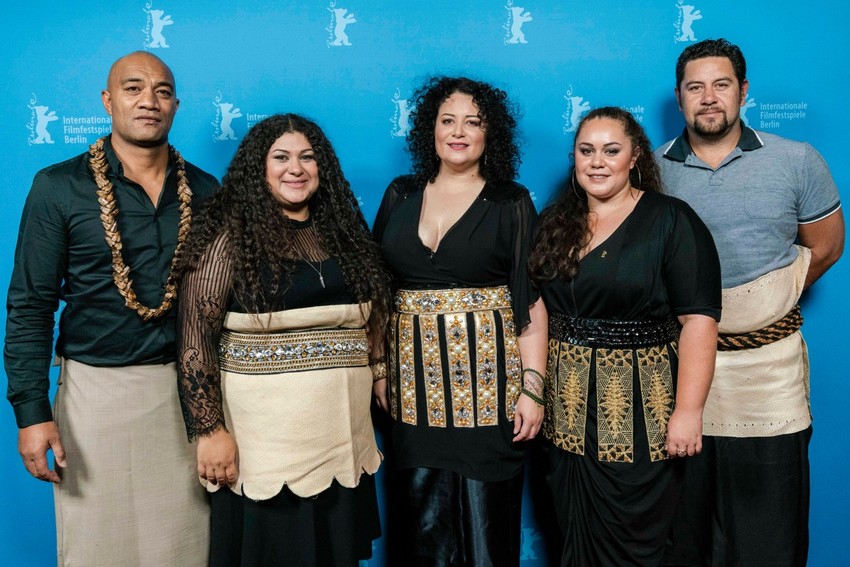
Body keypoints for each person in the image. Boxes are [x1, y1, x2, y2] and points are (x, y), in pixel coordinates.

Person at [4, 51, 217, 565]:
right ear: (107, 100)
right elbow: (31, 304)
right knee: (96, 547)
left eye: (162, 91)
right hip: (93, 398)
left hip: (186, 396)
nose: (149, 100)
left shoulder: (208, 192)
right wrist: (31, 414)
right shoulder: (58, 187)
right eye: (133, 88)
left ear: (176, 105)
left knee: (183, 547)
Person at [657, 39, 844, 567]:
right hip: (680, 371)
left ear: (743, 91)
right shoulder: (650, 171)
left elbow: (826, 245)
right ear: (679, 97)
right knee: (685, 529)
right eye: (696, 87)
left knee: (770, 529)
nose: (709, 98)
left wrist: (760, 304)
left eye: (721, 85)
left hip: (769, 371)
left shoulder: (796, 159)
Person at [176, 113, 390, 566]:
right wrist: (210, 430)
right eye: (281, 157)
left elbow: (372, 315)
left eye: (307, 157)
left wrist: (381, 372)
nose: (296, 168)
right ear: (259, 168)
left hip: (342, 440)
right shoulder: (229, 237)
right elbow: (195, 335)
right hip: (266, 447)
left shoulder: (344, 232)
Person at [529, 107, 722, 566]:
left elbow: (699, 320)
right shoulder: (555, 220)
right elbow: (533, 306)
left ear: (634, 156)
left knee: (639, 541)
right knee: (572, 538)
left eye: (611, 151)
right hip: (567, 418)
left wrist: (688, 411)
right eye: (586, 150)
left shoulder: (671, 220)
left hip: (641, 416)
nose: (598, 162)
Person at [373, 76, 548, 566]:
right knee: (420, 525)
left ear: (490, 135)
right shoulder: (399, 194)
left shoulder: (510, 201)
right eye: (448, 120)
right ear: (429, 130)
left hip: (489, 394)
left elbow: (529, 302)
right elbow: (377, 291)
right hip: (413, 395)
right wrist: (380, 368)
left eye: (473, 122)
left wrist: (532, 388)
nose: (459, 132)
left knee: (485, 523)